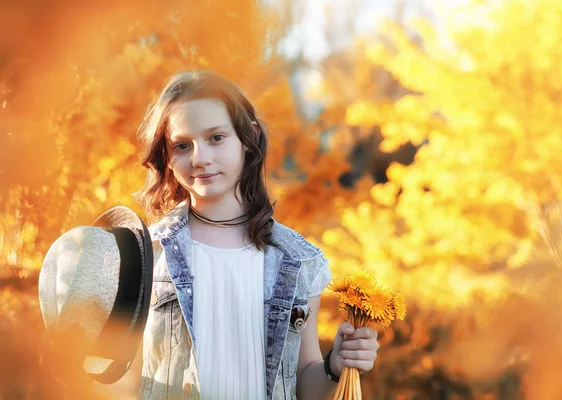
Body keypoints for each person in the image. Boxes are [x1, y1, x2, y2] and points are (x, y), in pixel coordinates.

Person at [134, 70, 379, 400]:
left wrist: (334, 366)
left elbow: (304, 385)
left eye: (216, 138)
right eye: (182, 145)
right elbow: (122, 380)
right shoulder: (147, 255)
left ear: (247, 139)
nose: (200, 158)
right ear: (167, 156)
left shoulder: (300, 261)